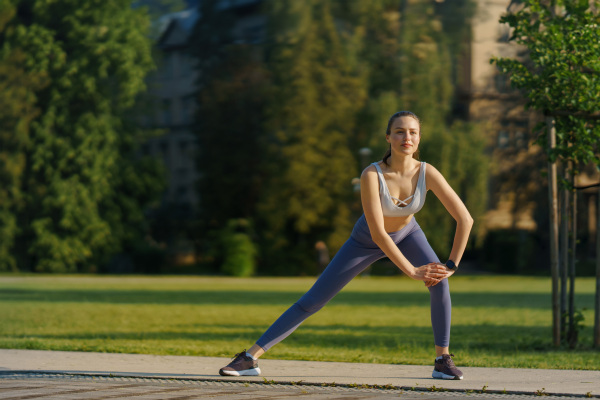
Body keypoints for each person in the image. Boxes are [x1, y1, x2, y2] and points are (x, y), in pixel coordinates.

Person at [218, 111, 473, 380]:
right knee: (313, 301)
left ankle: (442, 360)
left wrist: (451, 266)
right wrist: (412, 271)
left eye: (412, 132)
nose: (406, 137)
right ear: (388, 137)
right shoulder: (372, 175)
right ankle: (249, 359)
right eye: (399, 131)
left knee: (439, 281)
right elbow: (378, 234)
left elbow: (465, 219)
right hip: (366, 240)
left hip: (408, 233)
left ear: (419, 139)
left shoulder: (427, 172)